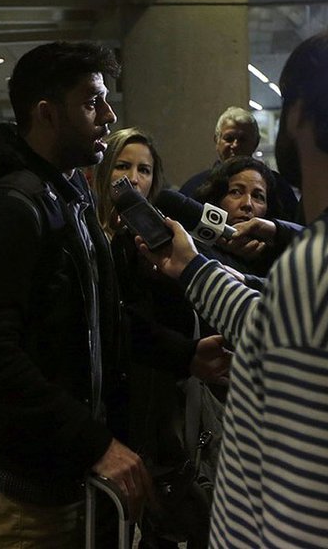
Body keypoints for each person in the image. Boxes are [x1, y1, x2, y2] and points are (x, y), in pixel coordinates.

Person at [139, 22, 328, 547]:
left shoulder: (321, 269)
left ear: (299, 116)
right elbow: (276, 326)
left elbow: (310, 507)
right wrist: (193, 269)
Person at [0, 41, 151, 548]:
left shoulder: (66, 194)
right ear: (47, 114)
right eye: (93, 102)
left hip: (67, 474)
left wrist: (185, 354)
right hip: (25, 493)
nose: (109, 116)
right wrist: (96, 443)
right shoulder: (11, 207)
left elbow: (93, 320)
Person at [92, 126, 230, 547]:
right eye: (123, 166)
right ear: (104, 172)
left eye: (144, 170)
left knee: (166, 523)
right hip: (107, 405)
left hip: (158, 405)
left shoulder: (162, 240)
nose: (134, 178)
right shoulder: (90, 236)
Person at [178, 106, 300, 222]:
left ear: (256, 142)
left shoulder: (278, 187)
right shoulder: (195, 186)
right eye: (229, 138)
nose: (235, 145)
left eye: (243, 139)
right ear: (217, 140)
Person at [194, 156, 290, 277]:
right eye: (236, 192)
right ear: (216, 199)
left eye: (258, 196)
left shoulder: (280, 264)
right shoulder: (194, 251)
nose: (247, 204)